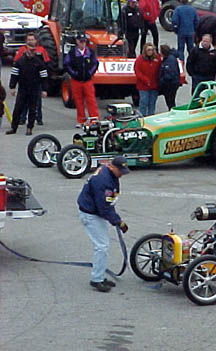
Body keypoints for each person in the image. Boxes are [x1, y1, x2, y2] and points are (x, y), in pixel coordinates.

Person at [77, 156, 130, 293]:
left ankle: (99, 275)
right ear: (112, 167)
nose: (122, 175)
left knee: (102, 245)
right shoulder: (104, 181)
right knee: (102, 246)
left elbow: (107, 202)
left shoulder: (107, 173)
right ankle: (96, 279)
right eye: (120, 171)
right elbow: (104, 208)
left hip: (94, 210)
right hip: (91, 214)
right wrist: (119, 222)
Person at [6, 42, 48, 135]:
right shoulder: (20, 61)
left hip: (34, 89)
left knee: (33, 109)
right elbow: (14, 74)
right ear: (26, 49)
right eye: (30, 49)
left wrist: (44, 89)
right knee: (17, 109)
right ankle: (14, 128)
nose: (32, 52)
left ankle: (30, 128)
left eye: (33, 50)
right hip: (23, 89)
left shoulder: (39, 62)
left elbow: (44, 76)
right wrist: (12, 87)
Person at [64, 33, 99, 128]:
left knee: (91, 100)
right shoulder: (71, 53)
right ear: (77, 41)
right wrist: (74, 74)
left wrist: (90, 73)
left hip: (87, 80)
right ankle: (81, 120)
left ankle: (94, 119)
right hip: (76, 81)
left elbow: (95, 64)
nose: (83, 43)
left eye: (84, 41)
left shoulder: (90, 52)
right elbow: (67, 65)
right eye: (81, 41)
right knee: (78, 101)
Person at [15, 33, 50, 127]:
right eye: (28, 39)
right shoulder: (22, 50)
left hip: (36, 81)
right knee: (23, 102)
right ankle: (22, 118)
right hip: (24, 82)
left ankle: (39, 119)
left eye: (32, 39)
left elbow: (46, 63)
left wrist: (44, 84)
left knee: (37, 102)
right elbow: (16, 64)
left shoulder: (41, 50)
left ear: (36, 41)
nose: (30, 41)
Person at [134, 43, 161, 116]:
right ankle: (142, 117)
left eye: (152, 50)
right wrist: (145, 80)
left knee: (152, 103)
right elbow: (137, 71)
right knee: (143, 102)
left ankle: (151, 116)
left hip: (154, 85)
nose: (150, 52)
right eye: (148, 50)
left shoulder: (157, 58)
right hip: (143, 86)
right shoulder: (139, 59)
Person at [159, 44, 180, 110]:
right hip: (172, 83)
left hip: (170, 84)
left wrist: (162, 80)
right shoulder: (170, 58)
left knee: (170, 101)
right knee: (170, 101)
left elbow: (169, 74)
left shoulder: (169, 60)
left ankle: (173, 113)